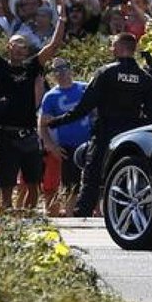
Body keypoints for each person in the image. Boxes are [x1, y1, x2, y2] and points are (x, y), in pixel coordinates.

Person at [42, 33, 152, 218]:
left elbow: (84, 107)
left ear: (121, 48)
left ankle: (83, 213)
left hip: (105, 133)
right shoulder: (144, 78)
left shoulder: (106, 73)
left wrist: (57, 121)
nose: (110, 48)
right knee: (126, 174)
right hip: (130, 136)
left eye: (113, 45)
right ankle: (125, 213)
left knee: (92, 176)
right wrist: (134, 125)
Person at [0, 0, 66, 211]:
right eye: (16, 45)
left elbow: (53, 45)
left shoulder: (32, 66)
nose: (19, 49)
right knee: (7, 186)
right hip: (6, 135)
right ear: (8, 47)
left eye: (23, 46)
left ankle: (28, 221)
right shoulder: (0, 66)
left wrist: (62, 15)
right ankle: (9, 224)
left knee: (33, 184)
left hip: (29, 135)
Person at [39, 58, 92, 216]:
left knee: (92, 183)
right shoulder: (51, 96)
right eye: (56, 70)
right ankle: (71, 218)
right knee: (71, 187)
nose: (61, 72)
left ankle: (93, 215)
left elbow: (98, 113)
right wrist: (51, 146)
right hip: (67, 147)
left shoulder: (85, 89)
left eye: (63, 68)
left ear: (70, 69)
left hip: (89, 144)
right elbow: (42, 125)